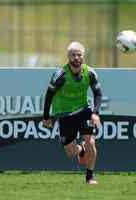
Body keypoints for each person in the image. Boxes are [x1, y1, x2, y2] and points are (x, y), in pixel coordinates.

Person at [42, 42, 102, 185]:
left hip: (84, 110)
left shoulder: (90, 73)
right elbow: (49, 95)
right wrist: (46, 116)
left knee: (91, 142)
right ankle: (80, 150)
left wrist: (95, 113)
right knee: (71, 152)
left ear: (83, 56)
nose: (76, 58)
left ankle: (90, 176)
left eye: (79, 55)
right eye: (73, 55)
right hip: (64, 114)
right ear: (68, 57)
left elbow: (98, 94)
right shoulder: (60, 75)